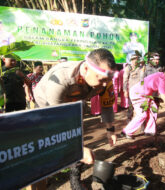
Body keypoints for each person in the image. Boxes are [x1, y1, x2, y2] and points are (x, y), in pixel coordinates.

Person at [33, 48, 116, 190]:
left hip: (75, 104)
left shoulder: (104, 77)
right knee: (46, 143)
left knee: (79, 137)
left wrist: (110, 129)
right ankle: (44, 176)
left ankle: (74, 177)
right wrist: (77, 148)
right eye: (101, 80)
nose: (104, 85)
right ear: (85, 68)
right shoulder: (60, 78)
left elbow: (107, 103)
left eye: (107, 80)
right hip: (46, 105)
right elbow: (56, 118)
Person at [121, 64, 165, 138]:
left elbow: (156, 84)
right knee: (142, 114)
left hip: (145, 95)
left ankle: (149, 131)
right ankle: (126, 132)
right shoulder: (161, 78)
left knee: (153, 109)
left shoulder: (161, 75)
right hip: (138, 94)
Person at [123, 54, 144, 121]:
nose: (135, 61)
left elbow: (143, 78)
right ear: (131, 60)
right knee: (131, 106)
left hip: (140, 91)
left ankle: (140, 120)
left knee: (140, 106)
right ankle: (129, 119)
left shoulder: (141, 68)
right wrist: (125, 91)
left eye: (137, 59)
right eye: (134, 59)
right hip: (131, 91)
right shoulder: (128, 68)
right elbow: (125, 80)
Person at [99, 80, 117, 146]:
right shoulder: (109, 81)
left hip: (107, 104)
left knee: (109, 124)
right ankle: (111, 137)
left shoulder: (106, 82)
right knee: (110, 124)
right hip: (108, 104)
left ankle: (111, 139)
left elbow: (101, 92)